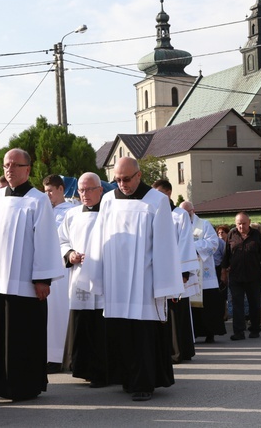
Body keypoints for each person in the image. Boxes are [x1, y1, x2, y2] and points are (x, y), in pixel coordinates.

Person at [78, 157, 183, 401]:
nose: (122, 184)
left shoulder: (157, 201)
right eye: (117, 179)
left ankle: (144, 382)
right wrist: (96, 272)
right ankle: (126, 377)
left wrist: (164, 284)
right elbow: (99, 237)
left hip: (143, 279)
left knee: (142, 333)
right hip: (116, 279)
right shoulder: (108, 199)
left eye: (126, 179)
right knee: (120, 331)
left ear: (139, 175)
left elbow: (165, 244)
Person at [0, 148, 63, 401]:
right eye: (6, 165)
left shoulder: (38, 200)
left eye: (15, 165)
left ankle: (21, 385)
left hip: (24, 283)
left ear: (27, 169)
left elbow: (45, 241)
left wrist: (42, 279)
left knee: (21, 335)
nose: (9, 169)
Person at [58, 172, 107, 387]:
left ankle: (104, 371)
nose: (84, 194)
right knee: (82, 323)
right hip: (78, 276)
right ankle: (83, 367)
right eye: (81, 190)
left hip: (105, 277)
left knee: (102, 325)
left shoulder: (110, 213)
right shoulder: (72, 214)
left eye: (89, 189)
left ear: (100, 190)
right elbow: (61, 240)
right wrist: (70, 255)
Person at [152, 180, 196, 363]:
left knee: (177, 310)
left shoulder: (180, 215)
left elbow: (185, 242)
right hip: (158, 270)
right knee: (160, 312)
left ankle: (180, 351)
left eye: (161, 193)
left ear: (169, 193)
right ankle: (164, 350)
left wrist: (183, 271)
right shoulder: (153, 213)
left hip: (176, 270)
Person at [43, 174, 77, 373]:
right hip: (47, 269)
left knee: (63, 312)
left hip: (64, 270)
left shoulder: (72, 211)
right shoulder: (43, 211)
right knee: (50, 315)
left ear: (61, 189)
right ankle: (50, 356)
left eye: (50, 191)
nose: (47, 195)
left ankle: (66, 355)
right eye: (45, 191)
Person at [221, 212, 261, 341]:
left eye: (243, 223)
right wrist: (223, 272)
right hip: (236, 276)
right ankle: (238, 331)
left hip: (253, 275)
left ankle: (254, 329)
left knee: (254, 303)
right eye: (238, 224)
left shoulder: (256, 235)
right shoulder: (232, 234)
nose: (241, 226)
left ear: (249, 222)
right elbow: (226, 254)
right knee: (237, 304)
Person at [182, 201, 224, 344]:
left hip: (204, 272)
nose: (185, 216)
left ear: (192, 211)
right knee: (189, 305)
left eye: (187, 213)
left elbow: (213, 243)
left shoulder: (204, 225)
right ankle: (192, 333)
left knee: (208, 304)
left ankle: (210, 333)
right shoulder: (178, 225)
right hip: (186, 270)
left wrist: (191, 247)